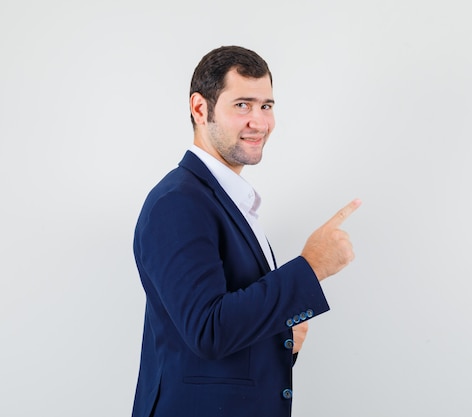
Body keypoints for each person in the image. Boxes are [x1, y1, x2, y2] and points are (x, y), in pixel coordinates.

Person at [131, 45, 361, 417]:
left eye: (266, 106)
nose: (259, 121)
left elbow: (223, 325)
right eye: (242, 105)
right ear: (200, 108)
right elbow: (208, 330)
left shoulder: (228, 199)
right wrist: (311, 266)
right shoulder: (178, 203)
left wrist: (281, 339)